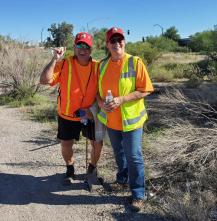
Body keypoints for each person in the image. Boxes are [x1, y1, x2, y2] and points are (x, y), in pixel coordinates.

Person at [97, 27, 154, 212]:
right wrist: (101, 104)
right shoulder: (102, 65)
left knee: (134, 156)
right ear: (107, 45)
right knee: (119, 153)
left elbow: (145, 89)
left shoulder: (135, 62)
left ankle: (138, 193)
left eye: (119, 40)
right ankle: (122, 180)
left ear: (124, 42)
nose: (116, 43)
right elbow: (97, 93)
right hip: (112, 121)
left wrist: (121, 99)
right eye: (112, 41)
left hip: (131, 121)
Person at [40, 32, 104, 185]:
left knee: (98, 143)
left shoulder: (97, 67)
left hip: (90, 114)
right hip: (67, 115)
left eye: (87, 46)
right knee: (66, 144)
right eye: (80, 45)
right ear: (74, 47)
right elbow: (44, 80)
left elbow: (103, 90)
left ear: (91, 49)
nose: (83, 49)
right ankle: (70, 169)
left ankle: (92, 169)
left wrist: (92, 109)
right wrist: (55, 59)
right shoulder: (64, 64)